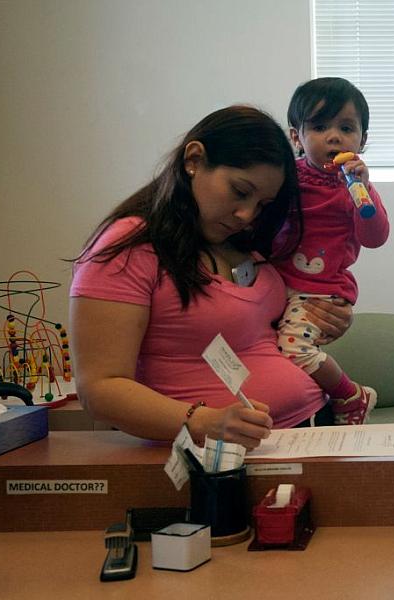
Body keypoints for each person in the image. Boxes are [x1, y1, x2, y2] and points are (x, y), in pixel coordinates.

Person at [70, 105, 353, 450]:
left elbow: (257, 332)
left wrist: (327, 319)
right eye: (239, 191)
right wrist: (203, 421)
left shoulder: (240, 241)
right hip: (218, 454)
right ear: (194, 159)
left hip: (309, 425)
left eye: (263, 204)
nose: (246, 214)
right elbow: (100, 389)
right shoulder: (129, 248)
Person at [277, 77, 390, 425]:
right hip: (278, 285)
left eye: (346, 127)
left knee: (294, 350)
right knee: (278, 354)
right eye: (320, 127)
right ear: (296, 136)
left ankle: (349, 394)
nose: (334, 137)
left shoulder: (353, 188)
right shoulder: (284, 179)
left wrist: (363, 190)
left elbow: (375, 237)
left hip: (322, 292)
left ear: (362, 140)